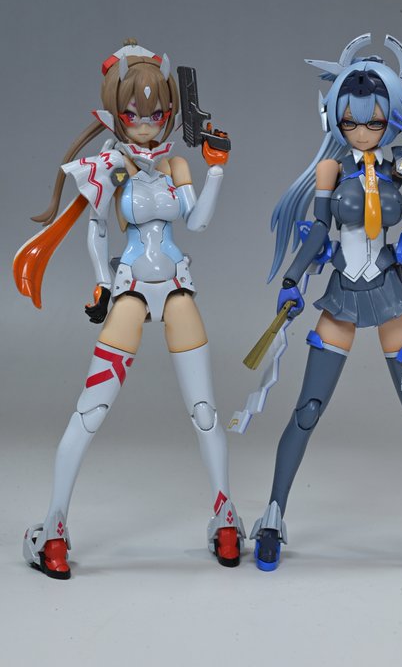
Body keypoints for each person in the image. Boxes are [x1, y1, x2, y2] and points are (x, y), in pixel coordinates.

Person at [15, 40, 245, 579]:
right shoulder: (110, 168)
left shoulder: (176, 164)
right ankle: (54, 528)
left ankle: (226, 519)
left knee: (204, 411)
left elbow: (199, 223)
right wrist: (101, 283)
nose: (146, 123)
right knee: (91, 411)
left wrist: (215, 172)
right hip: (133, 288)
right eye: (135, 114)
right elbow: (96, 231)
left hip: (177, 286)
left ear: (170, 113)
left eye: (157, 114)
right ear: (117, 113)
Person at [250, 34, 402, 576]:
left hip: (391, 296)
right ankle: (273, 515)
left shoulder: (399, 165)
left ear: (391, 115)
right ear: (335, 118)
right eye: (351, 121)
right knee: (308, 409)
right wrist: (293, 277)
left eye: (374, 121)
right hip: (343, 295)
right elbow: (317, 231)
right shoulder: (331, 171)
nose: (362, 131)